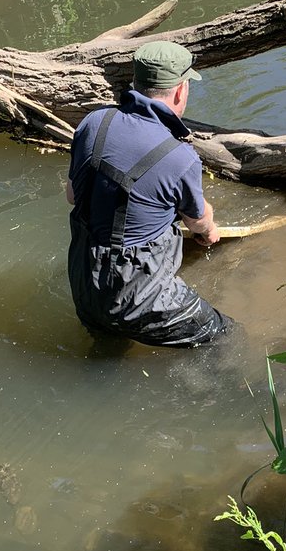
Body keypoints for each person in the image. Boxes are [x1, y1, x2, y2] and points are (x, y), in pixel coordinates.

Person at [66, 40, 233, 347]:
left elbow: (73, 197)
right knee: (223, 336)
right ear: (181, 90)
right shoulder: (180, 157)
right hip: (142, 299)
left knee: (106, 353)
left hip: (83, 283)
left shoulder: (93, 123)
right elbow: (198, 223)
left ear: (135, 82)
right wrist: (210, 232)